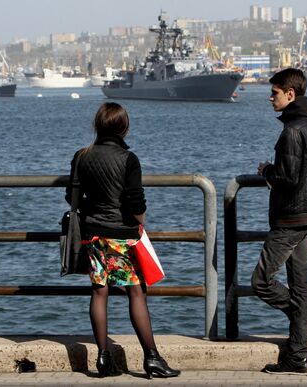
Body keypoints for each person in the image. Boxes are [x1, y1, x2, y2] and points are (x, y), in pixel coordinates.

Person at [65, 102, 180, 379]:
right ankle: (152, 358)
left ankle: (103, 360)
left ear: (98, 126)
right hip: (123, 236)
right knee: (136, 292)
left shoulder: (82, 156)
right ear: (124, 127)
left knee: (99, 292)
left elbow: (71, 198)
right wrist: (140, 221)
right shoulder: (129, 160)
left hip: (93, 234)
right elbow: (135, 202)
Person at [251, 68, 307, 375]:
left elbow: (286, 178)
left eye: (274, 92)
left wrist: (266, 172)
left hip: (290, 218)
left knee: (260, 282)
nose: (269, 97)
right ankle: (297, 356)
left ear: (290, 95)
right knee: (301, 284)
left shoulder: (291, 131)